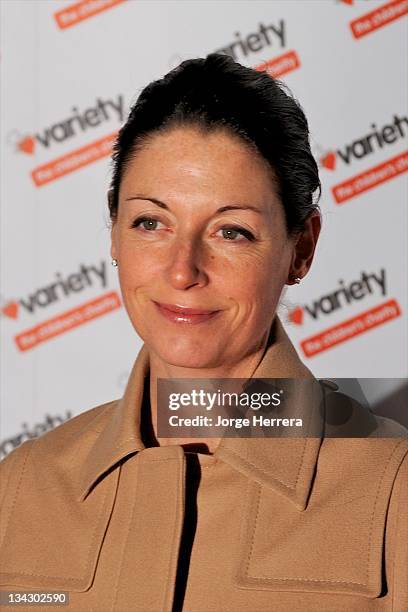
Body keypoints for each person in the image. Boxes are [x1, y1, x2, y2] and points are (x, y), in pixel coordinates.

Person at [0, 54, 407, 612]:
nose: (182, 270)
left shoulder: (394, 487)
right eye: (151, 222)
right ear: (114, 232)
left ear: (301, 249)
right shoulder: (22, 486)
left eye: (231, 231)